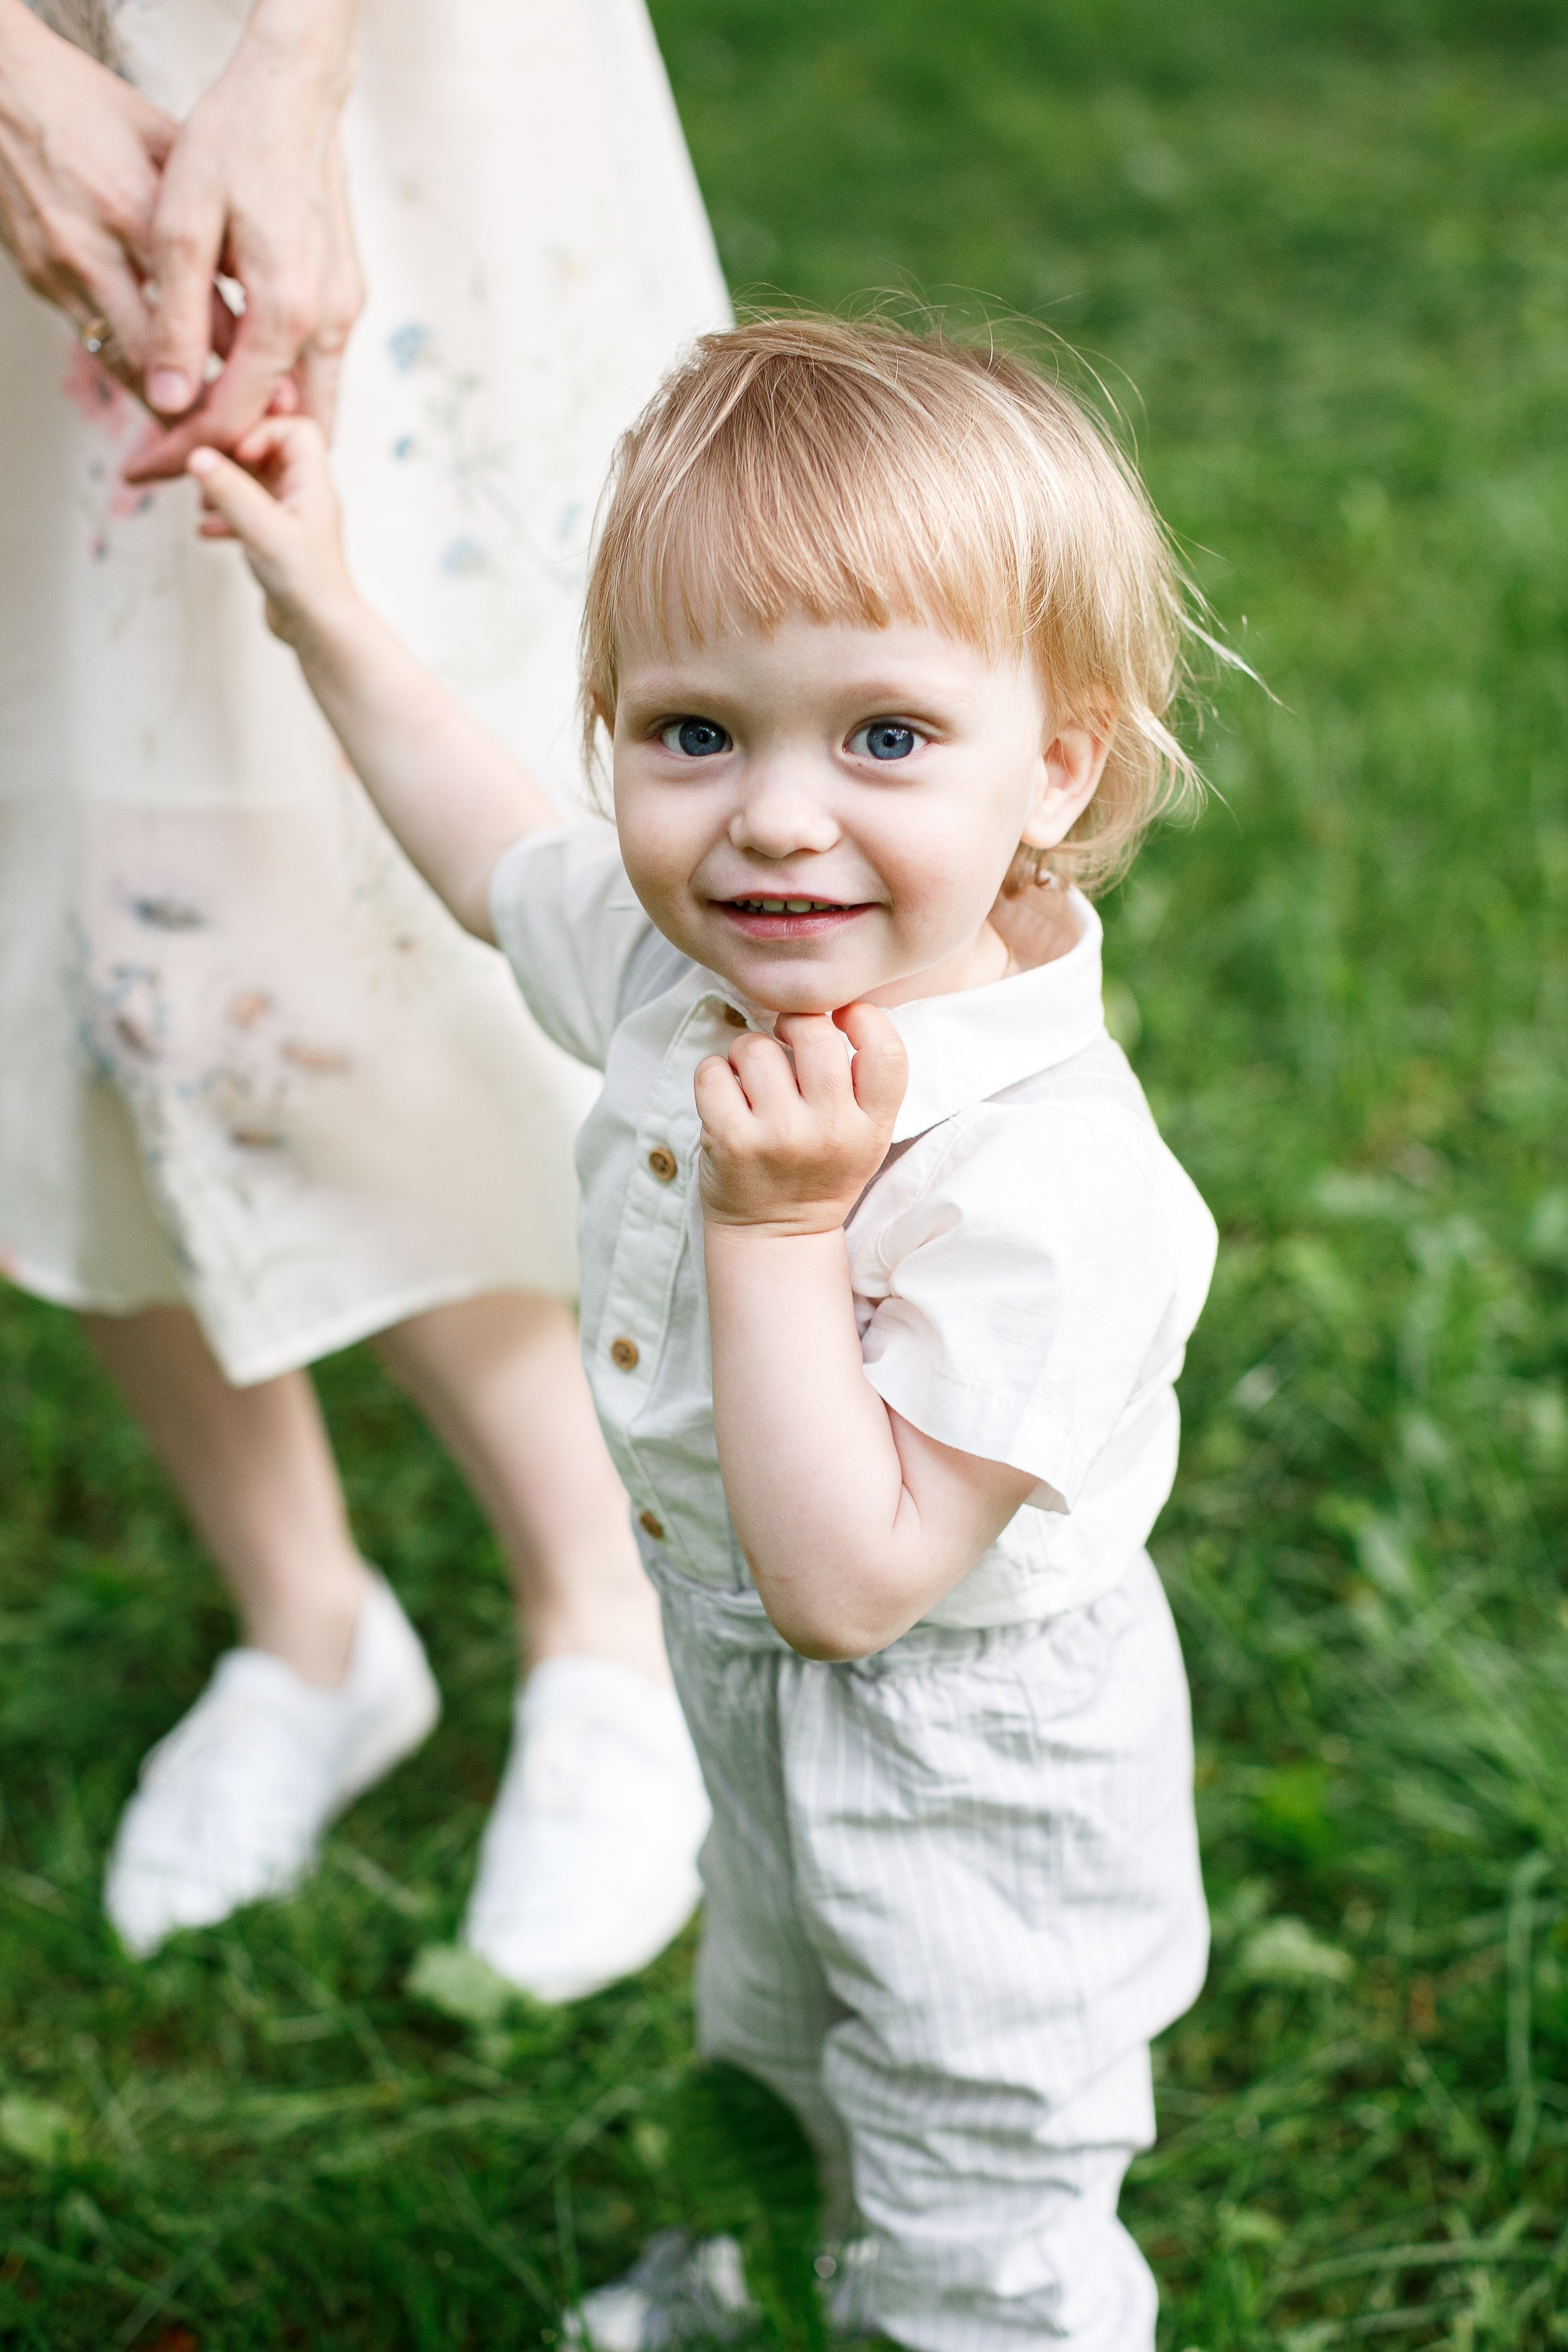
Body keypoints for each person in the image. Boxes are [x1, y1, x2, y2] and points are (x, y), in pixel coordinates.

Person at [184, 313, 1218, 2351]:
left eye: (885, 738)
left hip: (973, 1783)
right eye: (693, 733)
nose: (772, 819)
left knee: (975, 2193)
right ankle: (767, 2252)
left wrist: (783, 1224)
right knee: (774, 2042)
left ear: (1060, 765)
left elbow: (851, 1587)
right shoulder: (697, 977)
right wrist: (317, 597)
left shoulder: (1052, 1188)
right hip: (738, 1702)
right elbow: (492, 859)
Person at [0, 0, 728, 1993]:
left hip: (390, 71)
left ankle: (603, 1613)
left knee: (382, 842)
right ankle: (304, 1624)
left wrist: (288, 68)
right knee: (48, 891)